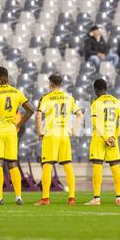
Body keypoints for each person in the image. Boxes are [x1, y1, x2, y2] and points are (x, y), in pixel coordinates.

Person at [0, 67, 34, 205]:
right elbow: (31, 110)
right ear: (7, 77)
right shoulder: (16, 92)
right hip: (11, 129)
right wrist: (19, 125)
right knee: (12, 163)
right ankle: (18, 197)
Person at [35, 75, 84, 205]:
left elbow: (39, 115)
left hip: (51, 134)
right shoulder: (69, 98)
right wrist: (73, 130)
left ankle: (45, 198)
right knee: (68, 165)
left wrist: (40, 131)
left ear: (50, 84)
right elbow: (80, 114)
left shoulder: (46, 97)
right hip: (64, 135)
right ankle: (72, 198)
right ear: (61, 84)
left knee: (47, 165)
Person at [85, 78, 120, 206]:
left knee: (97, 166)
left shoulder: (95, 103)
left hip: (99, 138)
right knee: (115, 167)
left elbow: (94, 122)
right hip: (113, 139)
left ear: (96, 90)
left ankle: (97, 198)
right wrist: (114, 137)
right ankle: (119, 197)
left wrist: (104, 137)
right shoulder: (117, 101)